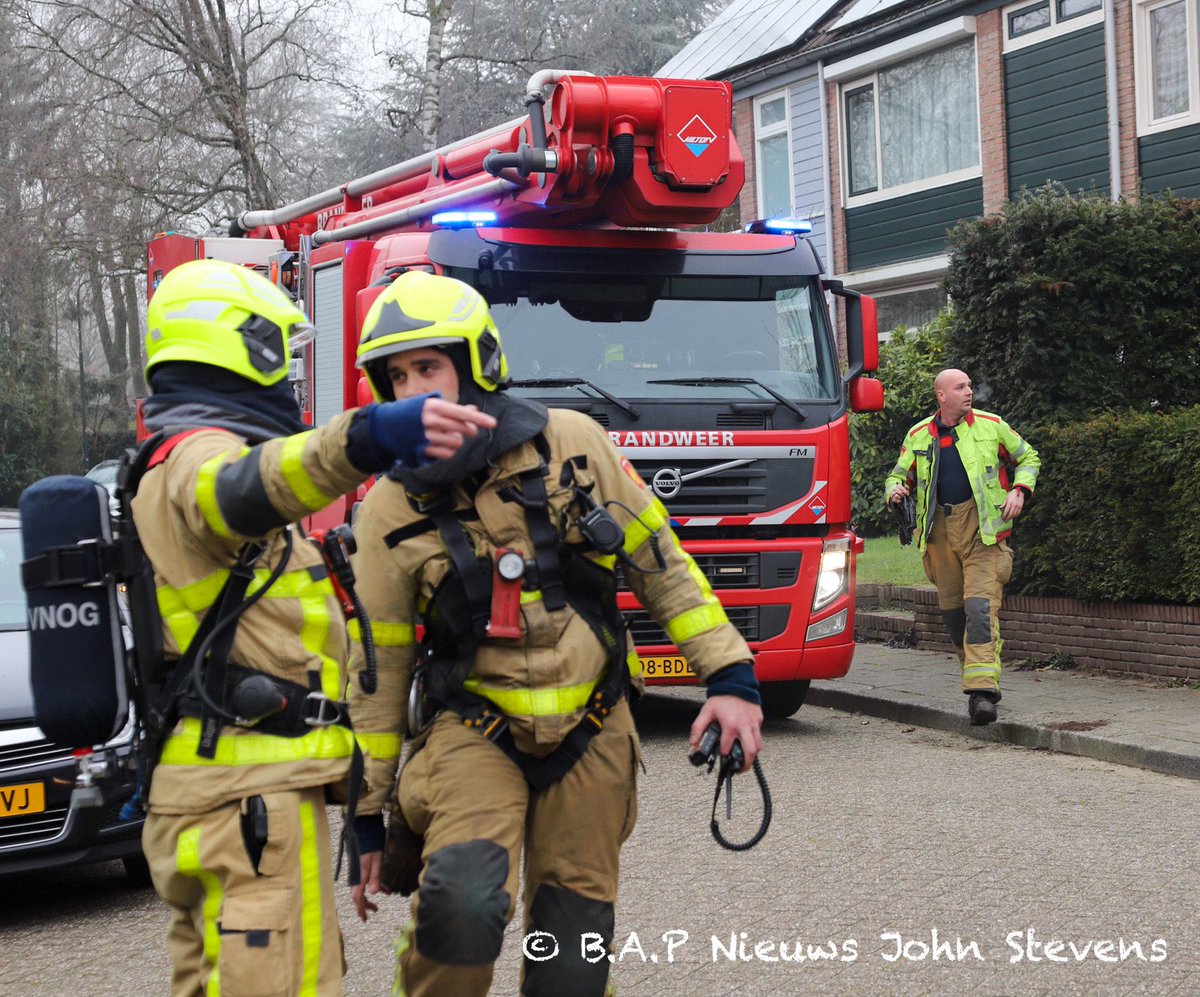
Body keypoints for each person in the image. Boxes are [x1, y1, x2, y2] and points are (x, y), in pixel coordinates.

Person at [345, 270, 764, 997]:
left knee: (571, 953)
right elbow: (376, 667)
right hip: (472, 728)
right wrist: (366, 817)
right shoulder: (386, 509)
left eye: (428, 367)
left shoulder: (572, 445)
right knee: (460, 908)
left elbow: (661, 565)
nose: (412, 389)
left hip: (593, 728)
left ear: (475, 367)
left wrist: (730, 679)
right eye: (397, 375)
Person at [133, 258, 495, 996]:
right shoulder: (195, 457)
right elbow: (236, 490)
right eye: (281, 354)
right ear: (241, 347)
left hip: (236, 790)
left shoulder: (170, 457)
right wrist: (365, 438)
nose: (288, 378)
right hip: (245, 797)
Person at [885, 368, 1040, 726]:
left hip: (982, 533)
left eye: (970, 385)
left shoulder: (991, 425)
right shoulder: (918, 434)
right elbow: (897, 475)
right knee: (955, 616)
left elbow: (1029, 457)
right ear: (942, 395)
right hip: (939, 536)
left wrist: (1020, 490)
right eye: (960, 387)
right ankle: (975, 678)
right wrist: (894, 490)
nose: (969, 391)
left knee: (979, 610)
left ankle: (983, 693)